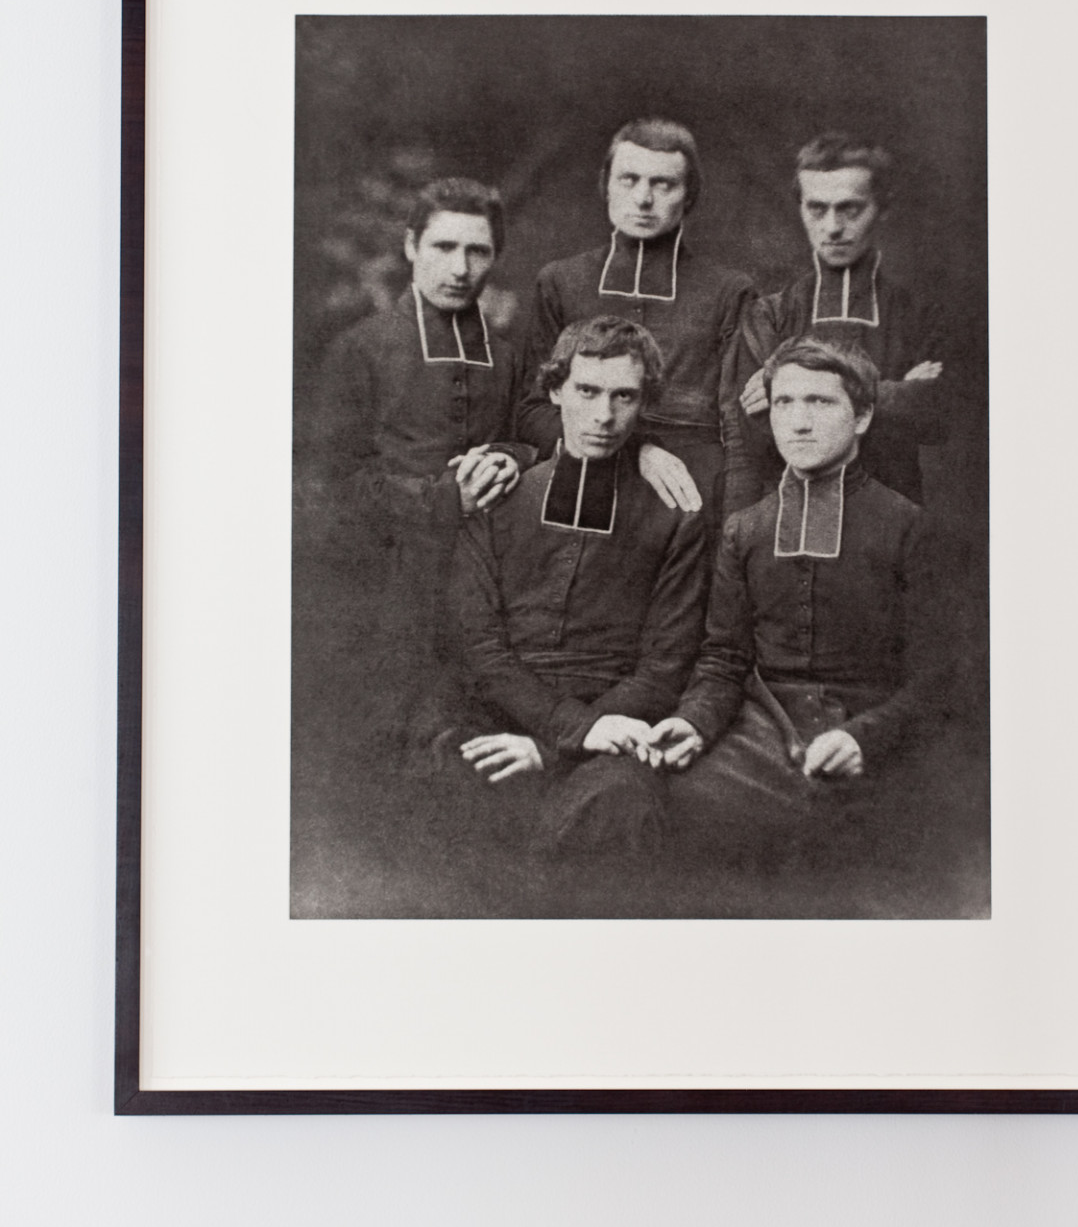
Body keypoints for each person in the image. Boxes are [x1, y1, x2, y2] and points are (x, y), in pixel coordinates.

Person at [648, 337, 940, 866]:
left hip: (872, 731)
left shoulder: (909, 527)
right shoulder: (745, 529)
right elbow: (724, 659)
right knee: (685, 807)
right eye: (784, 403)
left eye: (820, 403)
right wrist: (695, 721)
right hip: (762, 731)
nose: (798, 423)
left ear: (863, 417)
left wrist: (866, 740)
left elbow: (941, 677)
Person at [453, 316, 707, 855]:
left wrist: (559, 745)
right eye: (587, 391)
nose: (604, 416)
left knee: (621, 806)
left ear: (645, 403)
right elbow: (477, 645)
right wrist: (561, 727)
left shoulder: (676, 515)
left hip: (612, 728)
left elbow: (665, 667)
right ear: (554, 390)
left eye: (624, 397)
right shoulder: (501, 495)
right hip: (496, 712)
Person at [307, 176, 532, 744]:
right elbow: (334, 484)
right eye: (444, 247)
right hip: (382, 592)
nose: (461, 268)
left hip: (491, 591)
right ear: (411, 246)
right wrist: (442, 499)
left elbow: (536, 435)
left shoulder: (506, 358)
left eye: (478, 251)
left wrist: (512, 454)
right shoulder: (358, 349)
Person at [516, 117, 756, 525]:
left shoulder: (729, 291)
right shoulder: (560, 281)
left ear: (690, 195)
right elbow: (531, 411)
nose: (644, 198)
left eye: (664, 184)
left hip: (691, 490)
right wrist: (635, 450)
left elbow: (740, 428)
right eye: (629, 179)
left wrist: (733, 527)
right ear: (605, 185)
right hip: (582, 475)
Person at [728, 134, 945, 511]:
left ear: (882, 209)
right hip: (790, 510)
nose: (831, 227)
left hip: (893, 512)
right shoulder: (771, 313)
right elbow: (758, 439)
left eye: (850, 209)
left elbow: (936, 419)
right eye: (817, 208)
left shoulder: (918, 314)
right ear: (800, 209)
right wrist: (893, 393)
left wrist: (794, 392)